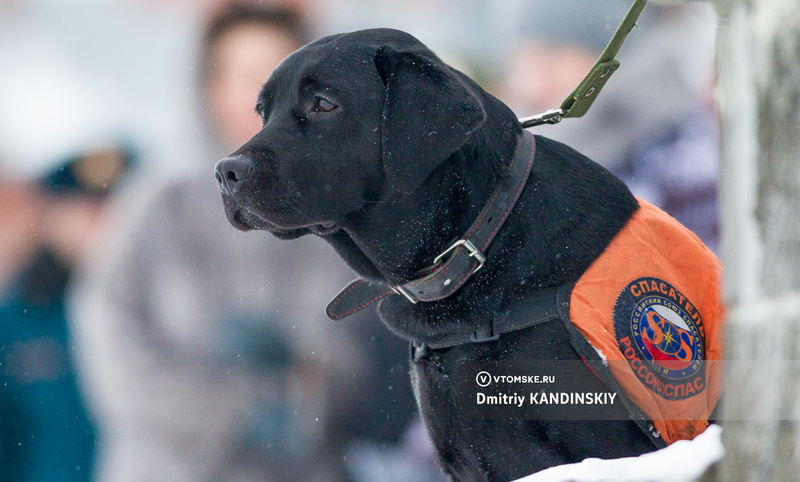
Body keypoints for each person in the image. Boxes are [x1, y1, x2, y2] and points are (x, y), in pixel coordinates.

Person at [69, 3, 419, 481]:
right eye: (236, 73)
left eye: (270, 72)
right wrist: (233, 409)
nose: (250, 93)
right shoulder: (158, 201)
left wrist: (305, 393)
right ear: (208, 85)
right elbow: (110, 339)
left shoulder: (345, 201)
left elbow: (371, 342)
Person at [502, 0, 720, 252]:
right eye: (520, 67)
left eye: (550, 62)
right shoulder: (523, 163)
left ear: (609, 58)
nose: (532, 86)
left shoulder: (686, 162)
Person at [0, 145, 134, 481]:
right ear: (49, 218)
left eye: (114, 209)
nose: (100, 227)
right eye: (84, 212)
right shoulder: (16, 319)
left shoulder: (177, 307)